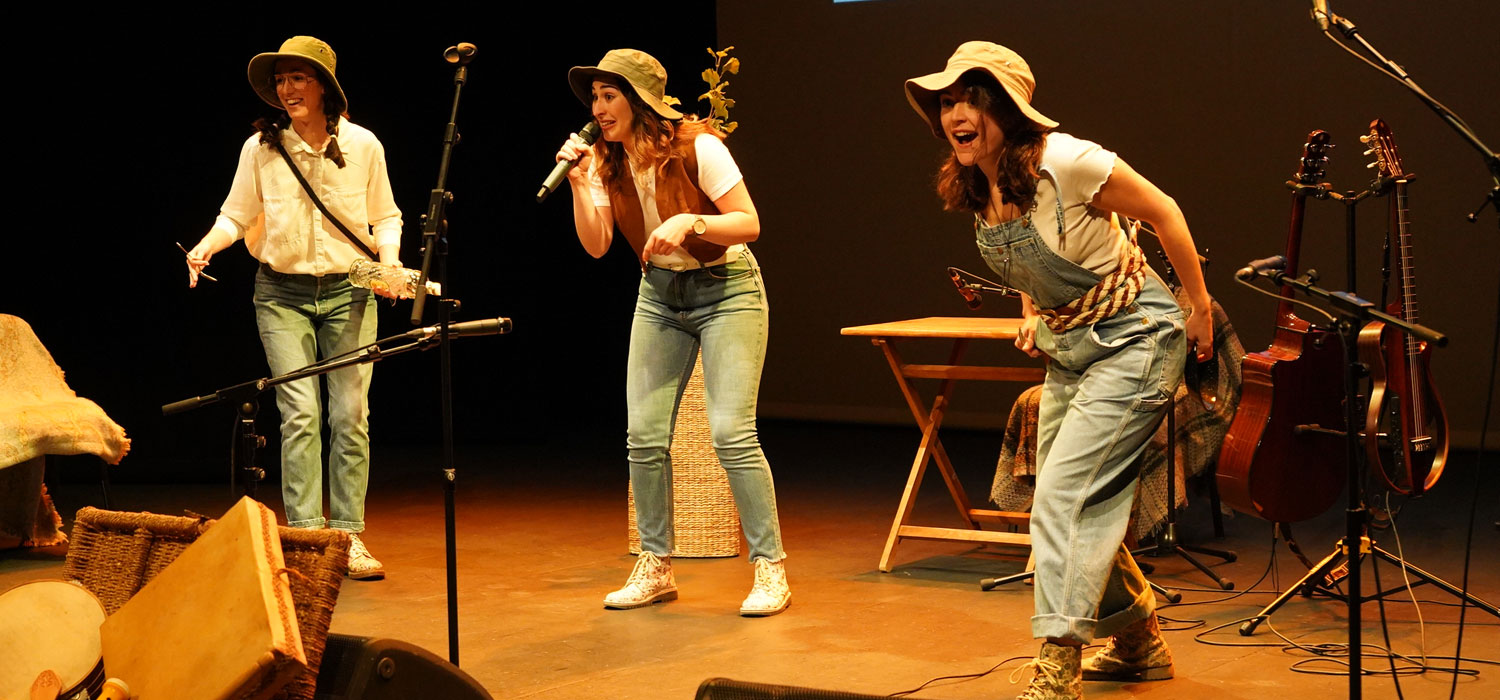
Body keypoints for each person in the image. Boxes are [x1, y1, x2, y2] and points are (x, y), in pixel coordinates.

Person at [904, 42, 1213, 699]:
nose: (957, 113)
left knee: (1069, 497)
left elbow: (1164, 210)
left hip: (1137, 339)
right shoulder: (979, 185)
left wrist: (1199, 306)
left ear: (1009, 112)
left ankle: (1060, 669)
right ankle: (1138, 639)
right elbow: (1030, 260)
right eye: (948, 102)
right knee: (1055, 500)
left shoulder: (1068, 160)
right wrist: (1031, 308)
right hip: (1075, 352)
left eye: (972, 99)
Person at [553, 48, 791, 616]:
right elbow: (598, 243)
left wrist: (694, 221)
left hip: (726, 288)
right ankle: (656, 565)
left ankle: (770, 568)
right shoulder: (608, 162)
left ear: (639, 101)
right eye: (595, 97)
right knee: (643, 433)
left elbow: (750, 223)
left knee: (732, 431)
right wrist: (579, 185)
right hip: (660, 296)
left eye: (610, 96)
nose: (599, 108)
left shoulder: (698, 146)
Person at [184, 36, 402, 581]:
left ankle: (348, 535)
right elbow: (235, 215)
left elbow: (388, 217)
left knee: (350, 415)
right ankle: (306, 536)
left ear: (324, 87)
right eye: (280, 81)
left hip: (350, 291)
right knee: (300, 413)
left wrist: (391, 265)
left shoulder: (364, 146)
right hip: (281, 295)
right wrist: (206, 245)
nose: (286, 89)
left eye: (297, 78)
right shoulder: (260, 149)